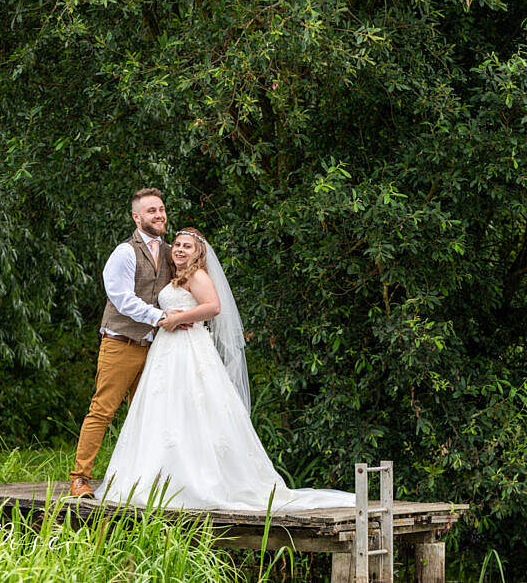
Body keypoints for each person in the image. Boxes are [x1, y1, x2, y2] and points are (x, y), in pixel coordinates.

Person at [92, 227, 354, 511]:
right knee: (165, 409)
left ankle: (199, 479)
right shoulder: (177, 276)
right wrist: (169, 318)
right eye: (177, 245)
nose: (179, 249)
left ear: (199, 252)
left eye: (187, 247)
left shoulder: (196, 275)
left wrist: (177, 318)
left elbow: (213, 307)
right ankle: (160, 474)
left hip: (189, 347)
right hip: (167, 349)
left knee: (194, 406)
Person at [68, 188, 192, 498]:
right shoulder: (125, 252)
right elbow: (121, 299)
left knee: (151, 413)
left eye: (161, 209)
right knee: (102, 410)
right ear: (137, 217)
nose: (159, 215)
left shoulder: (169, 252)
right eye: (151, 211)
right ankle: (80, 478)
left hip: (155, 348)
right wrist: (161, 316)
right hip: (120, 343)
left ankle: (145, 479)